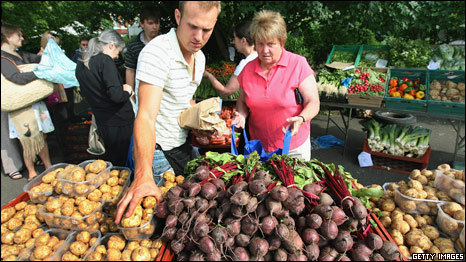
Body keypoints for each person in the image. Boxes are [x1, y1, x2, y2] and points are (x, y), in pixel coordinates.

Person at [115, 1, 221, 225]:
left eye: (207, 29)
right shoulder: (157, 53)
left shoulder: (199, 57)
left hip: (181, 146)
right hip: (155, 153)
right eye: (193, 26)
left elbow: (184, 98)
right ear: (177, 16)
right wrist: (143, 174)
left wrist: (202, 122)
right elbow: (145, 116)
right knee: (163, 224)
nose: (199, 37)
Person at [232, 10, 320, 161]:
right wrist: (241, 115)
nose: (265, 50)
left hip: (292, 148)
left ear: (282, 42)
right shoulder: (247, 70)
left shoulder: (298, 64)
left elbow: (313, 102)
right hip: (259, 148)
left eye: (271, 44)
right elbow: (242, 100)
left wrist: (301, 118)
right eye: (260, 44)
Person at [1, 24, 54, 181]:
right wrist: (39, 72)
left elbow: (38, 59)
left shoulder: (19, 54)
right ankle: (31, 172)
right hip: (21, 107)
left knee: (42, 137)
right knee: (27, 139)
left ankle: (48, 165)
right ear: (7, 37)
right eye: (18, 35)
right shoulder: (3, 58)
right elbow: (16, 78)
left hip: (35, 103)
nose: (22, 38)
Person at [75, 29, 135, 167]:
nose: (116, 56)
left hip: (102, 121)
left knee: (112, 159)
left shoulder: (82, 63)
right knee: (124, 162)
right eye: (117, 52)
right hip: (120, 121)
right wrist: (127, 91)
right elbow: (116, 96)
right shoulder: (105, 61)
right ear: (111, 45)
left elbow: (86, 92)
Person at [203, 20, 257, 96]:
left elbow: (226, 91)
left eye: (234, 38)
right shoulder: (262, 58)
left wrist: (209, 76)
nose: (233, 42)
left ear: (243, 41)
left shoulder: (245, 64)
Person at [125, 6, 161, 104]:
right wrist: (131, 95)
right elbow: (130, 70)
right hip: (142, 92)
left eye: (157, 23)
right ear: (142, 24)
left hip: (163, 91)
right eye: (150, 23)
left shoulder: (166, 42)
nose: (154, 26)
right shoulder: (133, 46)